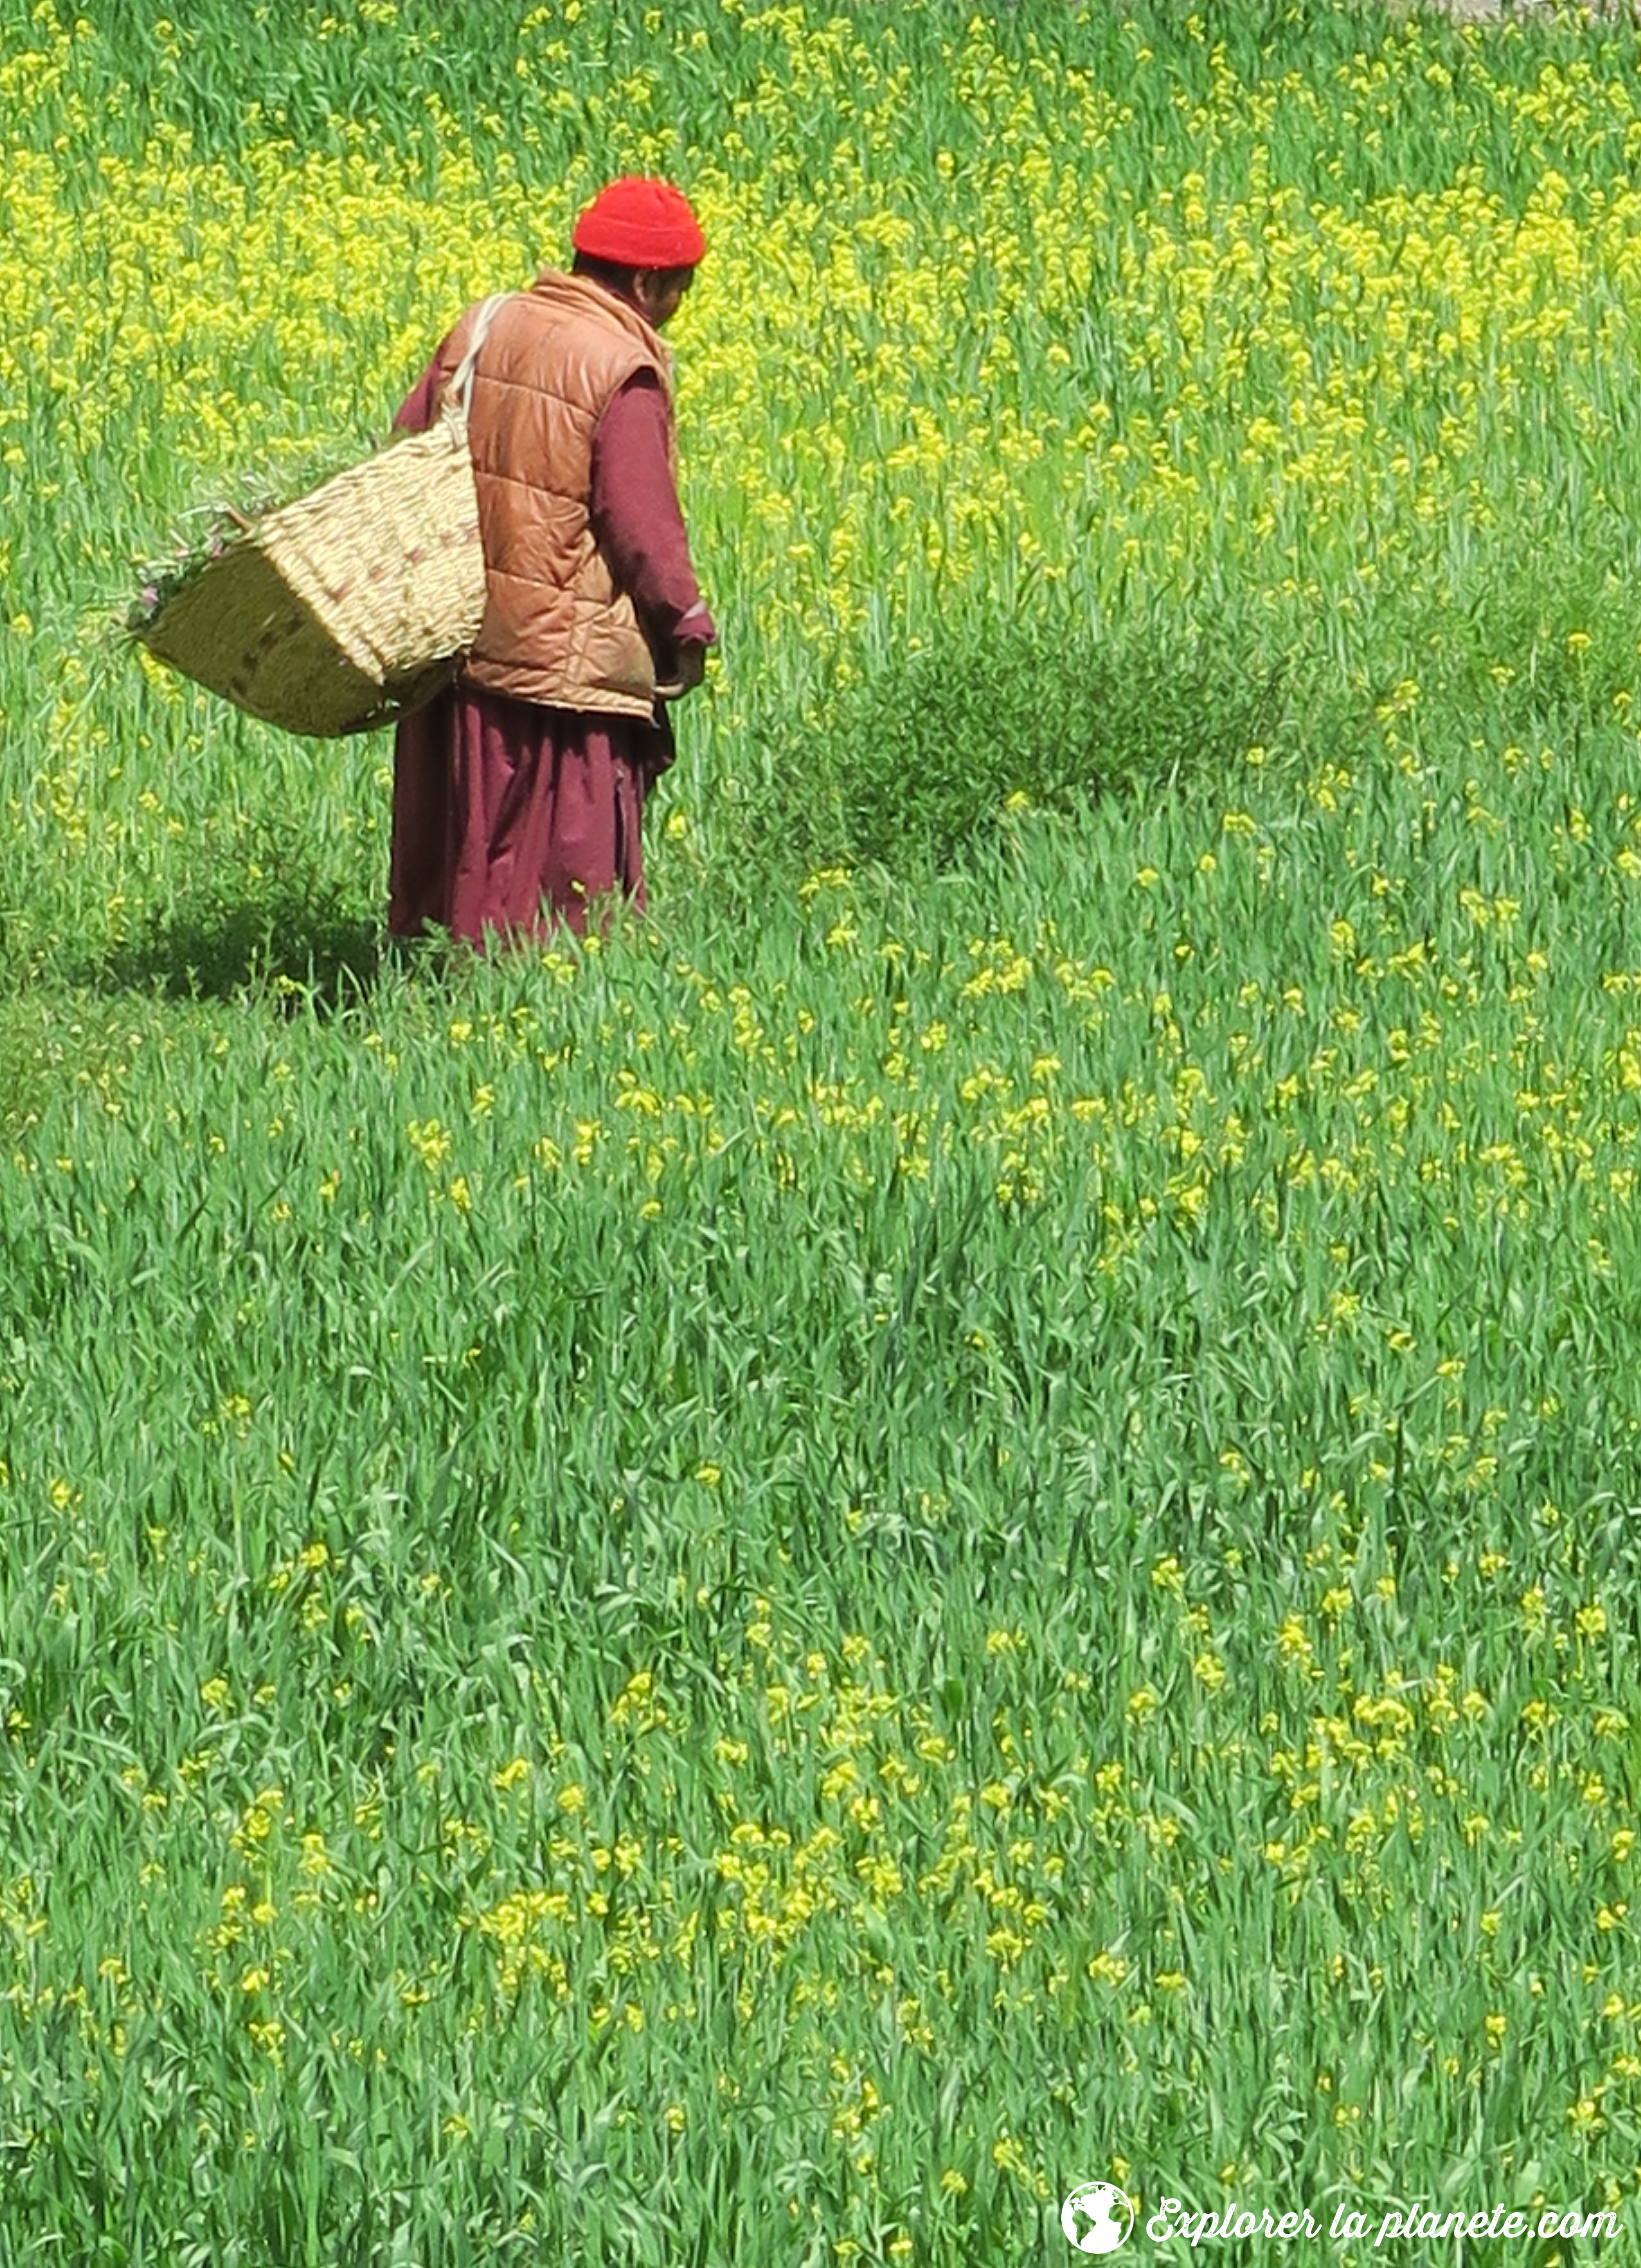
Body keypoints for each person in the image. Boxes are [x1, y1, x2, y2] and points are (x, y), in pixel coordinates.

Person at [386, 176, 716, 945]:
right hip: (558, 671)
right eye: (679, 290)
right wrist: (686, 624)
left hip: (459, 636)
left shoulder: (481, 327)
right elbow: (642, 526)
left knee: (467, 852)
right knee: (564, 894)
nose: (677, 310)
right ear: (645, 282)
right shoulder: (617, 369)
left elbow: (406, 448)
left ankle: (441, 985)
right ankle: (550, 1009)